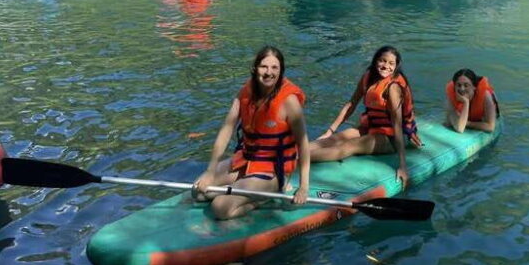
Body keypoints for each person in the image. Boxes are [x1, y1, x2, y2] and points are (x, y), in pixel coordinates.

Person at [193, 46, 310, 220]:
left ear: (281, 71)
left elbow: (303, 143)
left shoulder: (289, 101)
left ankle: (262, 198)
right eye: (264, 66)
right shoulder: (245, 93)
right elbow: (227, 129)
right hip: (246, 161)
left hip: (272, 171)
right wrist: (210, 171)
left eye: (274, 68)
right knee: (198, 192)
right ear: (255, 69)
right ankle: (245, 191)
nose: (268, 72)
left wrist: (303, 187)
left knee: (220, 207)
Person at [310, 46, 422, 188]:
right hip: (372, 127)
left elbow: (397, 125)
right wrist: (330, 131)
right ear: (376, 61)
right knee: (334, 139)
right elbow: (351, 104)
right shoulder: (369, 76)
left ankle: (295, 159)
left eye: (391, 63)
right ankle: (289, 152)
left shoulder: (393, 88)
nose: (385, 66)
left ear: (396, 66)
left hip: (393, 137)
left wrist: (403, 165)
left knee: (348, 146)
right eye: (382, 61)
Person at [445, 68, 500, 133]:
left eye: (466, 85)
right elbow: (460, 128)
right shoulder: (451, 96)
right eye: (459, 85)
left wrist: (467, 123)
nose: (462, 89)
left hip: (483, 117)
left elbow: (490, 127)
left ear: (474, 87)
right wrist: (466, 102)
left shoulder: (486, 96)